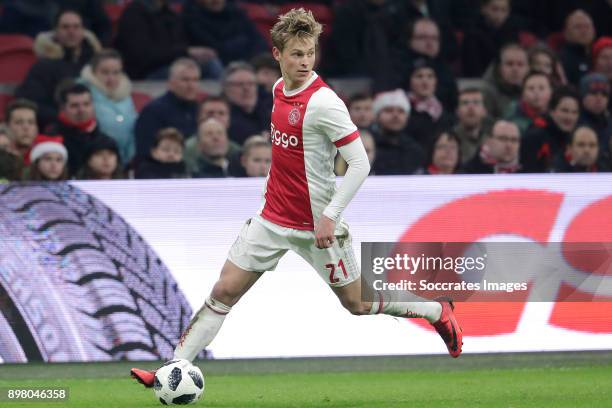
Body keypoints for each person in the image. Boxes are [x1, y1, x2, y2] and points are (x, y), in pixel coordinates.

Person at [131, 8, 462, 388]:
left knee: (355, 303)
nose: (305, 62)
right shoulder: (276, 90)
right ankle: (170, 371)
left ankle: (435, 310)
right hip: (271, 219)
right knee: (223, 291)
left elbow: (360, 164)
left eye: (310, 53)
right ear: (278, 55)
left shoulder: (325, 104)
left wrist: (331, 215)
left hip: (315, 226)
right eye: (296, 54)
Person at [15, 10, 102, 127]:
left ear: (83, 31)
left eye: (76, 27)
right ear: (55, 31)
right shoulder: (43, 67)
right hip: (57, 128)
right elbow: (32, 102)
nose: (71, 32)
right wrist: (62, 117)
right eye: (65, 27)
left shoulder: (96, 64)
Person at [114, 0, 223, 80]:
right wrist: (186, 51)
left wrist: (194, 53)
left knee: (210, 61)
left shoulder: (171, 14)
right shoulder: (134, 13)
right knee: (209, 67)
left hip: (174, 65)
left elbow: (181, 44)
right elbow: (142, 56)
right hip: (147, 73)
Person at [134, 58, 201, 158]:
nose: (191, 85)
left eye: (195, 80)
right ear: (170, 83)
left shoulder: (200, 109)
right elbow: (145, 150)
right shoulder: (153, 111)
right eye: (185, 80)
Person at [80, 49, 137, 165]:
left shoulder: (126, 95)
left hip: (123, 162)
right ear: (93, 72)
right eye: (105, 72)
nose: (111, 78)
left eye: (116, 72)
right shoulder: (83, 93)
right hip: (93, 161)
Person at [47, 82, 111, 176]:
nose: (81, 110)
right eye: (74, 105)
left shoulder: (106, 142)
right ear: (63, 108)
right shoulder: (52, 140)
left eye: (86, 104)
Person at [182, 0, 268, 66]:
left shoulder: (236, 13)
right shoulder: (191, 17)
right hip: (219, 61)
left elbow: (258, 40)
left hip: (246, 58)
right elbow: (214, 46)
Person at [521, 87, 581, 172]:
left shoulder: (579, 139)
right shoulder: (534, 137)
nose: (569, 117)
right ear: (552, 111)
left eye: (574, 112)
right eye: (564, 111)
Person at [371, 89, 425, 175]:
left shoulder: (415, 149)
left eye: (401, 111)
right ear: (377, 116)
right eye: (389, 110)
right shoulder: (368, 148)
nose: (395, 115)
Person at [462, 0, 520, 77]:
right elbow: (473, 70)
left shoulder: (512, 31)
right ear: (483, 9)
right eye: (494, 9)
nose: (499, 15)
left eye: (504, 10)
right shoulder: (472, 36)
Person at [222, 62, 271, 145]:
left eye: (251, 84)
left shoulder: (267, 113)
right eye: (239, 84)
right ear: (226, 88)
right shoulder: (223, 117)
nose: (246, 89)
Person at [482, 43, 529, 119]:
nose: (515, 69)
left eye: (520, 64)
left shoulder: (535, 90)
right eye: (509, 64)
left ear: (528, 68)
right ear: (500, 68)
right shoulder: (487, 92)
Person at [453, 88, 493, 163]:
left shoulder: (493, 140)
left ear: (484, 111)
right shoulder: (450, 140)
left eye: (476, 103)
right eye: (465, 103)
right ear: (457, 111)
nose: (471, 108)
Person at [559, 9, 596, 85]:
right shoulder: (562, 59)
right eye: (578, 27)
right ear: (566, 32)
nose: (584, 31)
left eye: (587, 26)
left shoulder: (598, 55)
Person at [578, 73, 611, 152]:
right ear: (583, 97)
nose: (599, 98)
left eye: (604, 94)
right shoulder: (574, 122)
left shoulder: (609, 123)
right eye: (593, 93)